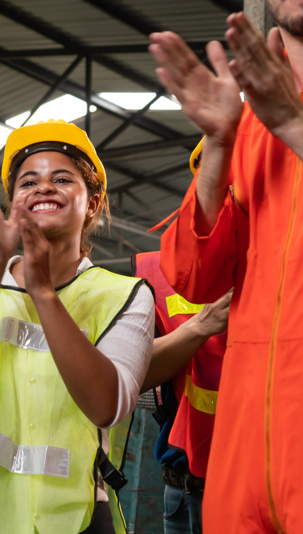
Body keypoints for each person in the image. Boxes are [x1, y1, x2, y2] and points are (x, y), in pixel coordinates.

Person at [0, 120, 155, 534]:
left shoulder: (125, 295)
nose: (44, 187)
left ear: (94, 202)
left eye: (62, 179)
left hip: (75, 515)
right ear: (13, 203)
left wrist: (43, 291)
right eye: (28, 182)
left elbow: (108, 406)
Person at [149, 5, 303, 531]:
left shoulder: (276, 120)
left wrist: (296, 128)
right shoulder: (249, 127)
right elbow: (196, 277)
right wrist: (218, 143)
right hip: (242, 466)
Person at [134, 250, 231, 534]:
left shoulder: (287, 276)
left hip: (258, 488)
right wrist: (200, 327)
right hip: (181, 489)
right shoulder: (158, 271)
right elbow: (129, 375)